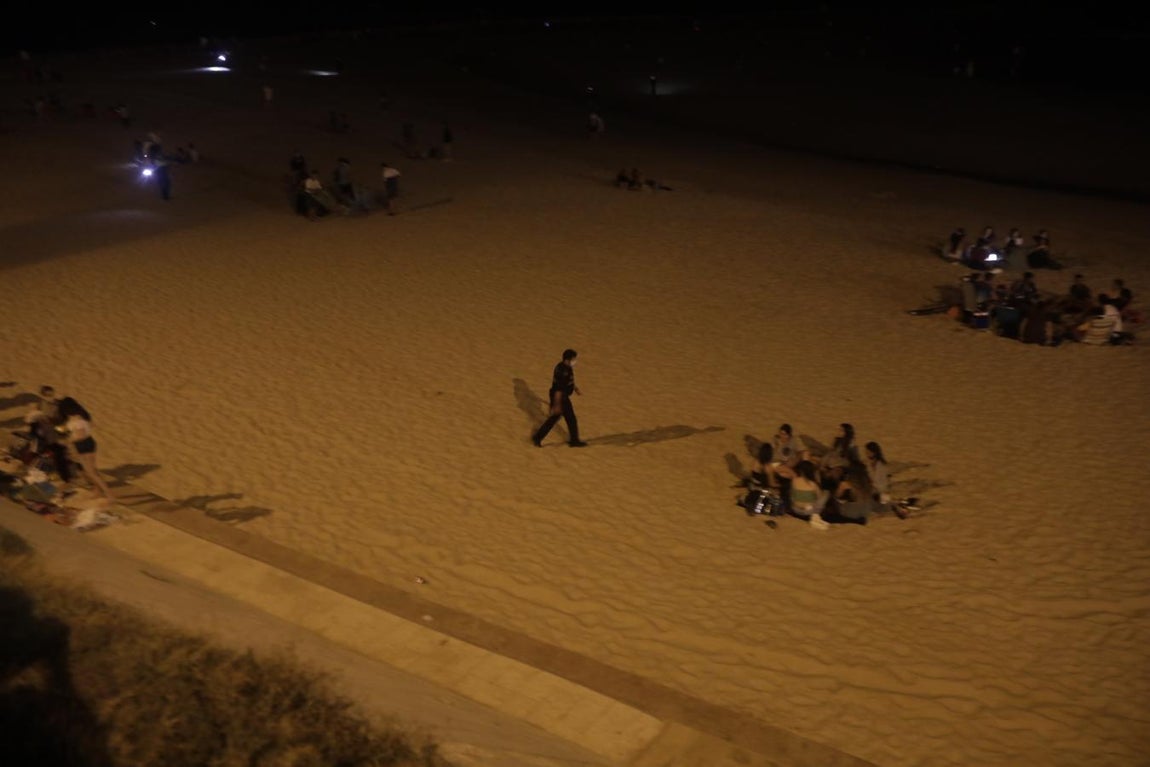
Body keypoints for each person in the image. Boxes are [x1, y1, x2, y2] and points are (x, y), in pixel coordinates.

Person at [531, 349, 587, 447]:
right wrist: (556, 405)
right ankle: (538, 437)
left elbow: (568, 381)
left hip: (563, 396)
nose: (575, 361)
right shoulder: (563, 371)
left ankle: (574, 440)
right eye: (574, 359)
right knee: (555, 418)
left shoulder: (566, 367)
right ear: (567, 360)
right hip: (560, 396)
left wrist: (575, 388)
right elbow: (558, 389)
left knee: (570, 418)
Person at [57, 397, 111, 499]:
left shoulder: (75, 419)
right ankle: (98, 490)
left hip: (82, 445)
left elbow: (80, 435)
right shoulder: (82, 415)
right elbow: (88, 428)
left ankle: (109, 495)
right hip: (89, 442)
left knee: (91, 472)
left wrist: (68, 440)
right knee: (92, 470)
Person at [24, 385, 73, 484]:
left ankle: (66, 477)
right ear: (42, 395)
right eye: (47, 395)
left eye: (51, 394)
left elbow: (63, 419)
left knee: (59, 454)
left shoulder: (57, 405)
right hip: (43, 434)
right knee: (39, 453)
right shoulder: (40, 404)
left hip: (54, 434)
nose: (50, 396)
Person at [778, 461, 829, 530]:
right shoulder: (813, 484)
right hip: (809, 512)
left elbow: (792, 494)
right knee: (826, 493)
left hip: (795, 509)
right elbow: (819, 498)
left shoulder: (794, 480)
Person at [864, 441, 899, 517]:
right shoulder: (868, 464)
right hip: (873, 490)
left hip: (881, 491)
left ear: (874, 452)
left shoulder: (881, 466)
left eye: (868, 452)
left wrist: (872, 486)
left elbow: (884, 484)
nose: (867, 454)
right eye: (866, 452)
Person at [818, 422, 858, 487]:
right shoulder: (837, 441)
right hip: (831, 464)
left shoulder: (850, 444)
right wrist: (823, 463)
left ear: (846, 432)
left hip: (840, 467)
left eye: (841, 430)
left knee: (834, 473)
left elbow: (853, 459)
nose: (838, 431)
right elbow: (830, 453)